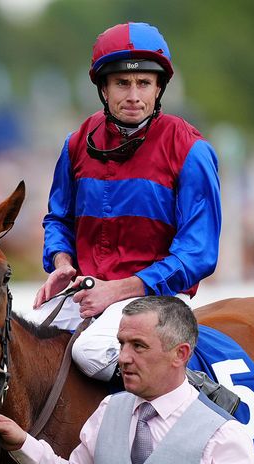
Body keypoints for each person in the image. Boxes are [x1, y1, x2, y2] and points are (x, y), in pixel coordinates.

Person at [26, 21, 222, 383]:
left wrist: (119, 289)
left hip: (160, 297)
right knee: (21, 344)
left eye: (143, 83)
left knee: (91, 351)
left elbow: (197, 255)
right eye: (122, 83)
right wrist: (63, 262)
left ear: (159, 87)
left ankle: (187, 395)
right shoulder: (77, 143)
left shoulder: (190, 150)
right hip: (88, 289)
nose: (133, 95)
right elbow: (58, 219)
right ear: (103, 88)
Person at [0, 296, 254, 464]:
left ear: (180, 354)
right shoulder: (108, 410)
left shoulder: (224, 435)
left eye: (138, 346)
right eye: (121, 343)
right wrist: (22, 443)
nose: (123, 358)